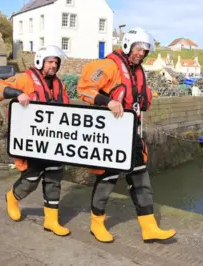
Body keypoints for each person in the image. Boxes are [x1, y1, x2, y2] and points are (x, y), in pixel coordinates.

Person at [77, 28, 176, 244]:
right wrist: (108, 102)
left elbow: (141, 99)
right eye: (139, 48)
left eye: (145, 50)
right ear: (128, 45)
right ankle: (97, 223)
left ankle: (149, 227)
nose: (141, 53)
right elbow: (84, 88)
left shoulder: (139, 71)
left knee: (141, 178)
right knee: (107, 178)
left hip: (132, 133)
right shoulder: (109, 66)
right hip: (110, 134)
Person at [0, 45, 71, 237]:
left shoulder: (60, 85)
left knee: (54, 178)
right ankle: (12, 197)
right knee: (31, 178)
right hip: (30, 142)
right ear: (40, 61)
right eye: (50, 61)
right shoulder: (25, 79)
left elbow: (66, 109)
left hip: (53, 141)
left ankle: (51, 220)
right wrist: (16, 93)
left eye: (56, 62)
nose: (53, 65)